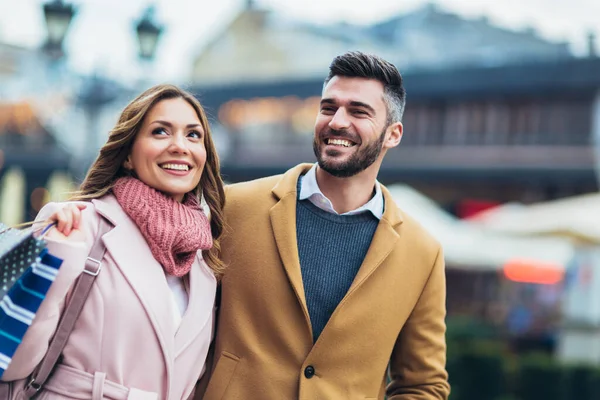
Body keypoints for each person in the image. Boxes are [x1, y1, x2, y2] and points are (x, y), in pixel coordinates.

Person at [199, 51, 450, 399]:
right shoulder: (233, 207)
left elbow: (424, 384)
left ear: (393, 134)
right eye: (328, 107)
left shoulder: (423, 253)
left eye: (358, 111)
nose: (337, 121)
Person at [1, 84, 225, 399]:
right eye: (160, 132)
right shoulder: (78, 224)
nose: (180, 146)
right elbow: (10, 363)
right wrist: (59, 255)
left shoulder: (204, 260)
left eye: (193, 135)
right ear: (128, 156)